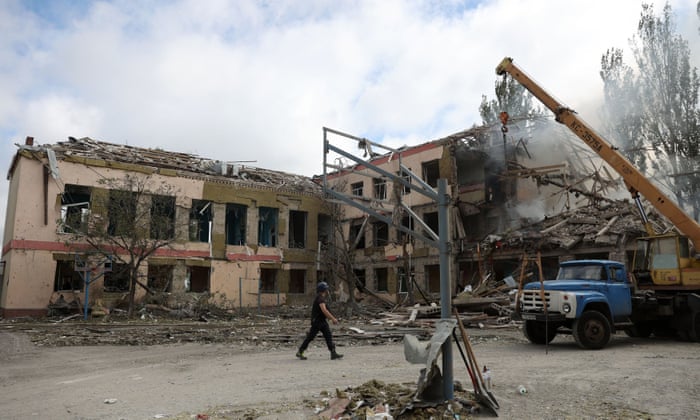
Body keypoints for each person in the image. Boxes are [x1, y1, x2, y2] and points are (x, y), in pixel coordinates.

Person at [296, 281, 343, 360]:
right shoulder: (320, 299)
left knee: (328, 336)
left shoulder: (321, 298)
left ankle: (333, 353)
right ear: (324, 290)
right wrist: (333, 319)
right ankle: (300, 351)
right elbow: (324, 310)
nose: (328, 291)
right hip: (317, 322)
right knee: (310, 337)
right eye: (326, 289)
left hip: (322, 321)